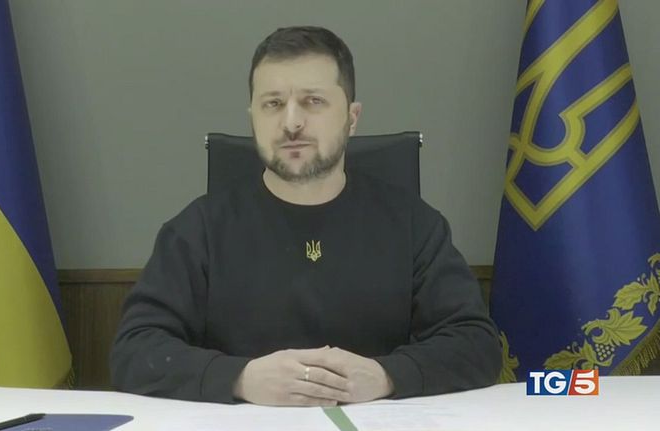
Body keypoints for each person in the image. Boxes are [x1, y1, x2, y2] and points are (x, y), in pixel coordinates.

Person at [111, 26, 501, 406]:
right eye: (273, 104)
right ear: (252, 116)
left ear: (352, 118)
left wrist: (386, 375)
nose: (291, 123)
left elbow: (476, 343)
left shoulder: (414, 224)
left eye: (313, 101)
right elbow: (135, 349)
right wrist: (240, 378)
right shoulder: (197, 230)